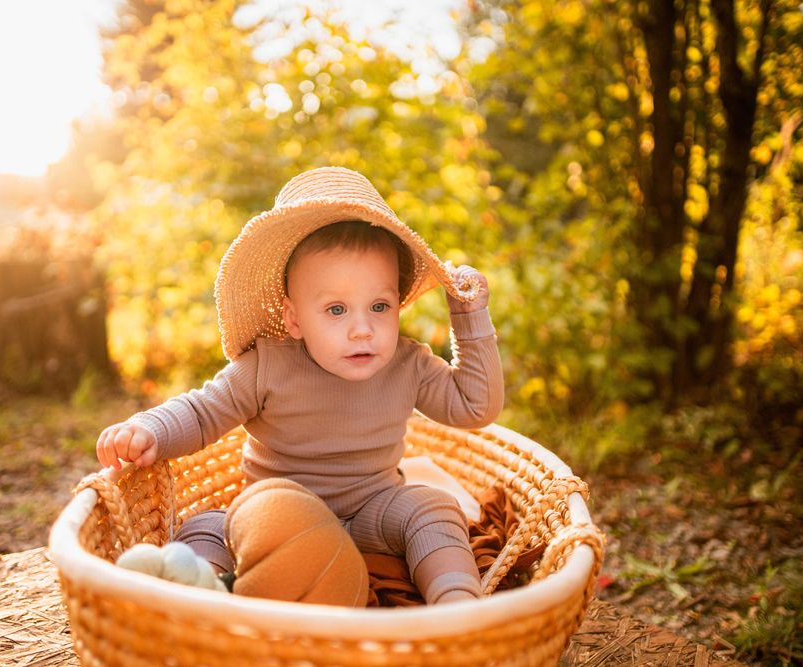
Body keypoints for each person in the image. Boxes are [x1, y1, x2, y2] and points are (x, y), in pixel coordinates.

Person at [95, 167, 504, 604]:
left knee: (432, 507)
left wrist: (469, 317)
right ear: (293, 319)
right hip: (275, 519)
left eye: (379, 306)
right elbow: (200, 412)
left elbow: (474, 405)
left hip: (371, 515)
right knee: (207, 524)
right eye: (336, 310)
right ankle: (204, 596)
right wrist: (149, 429)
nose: (362, 329)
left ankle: (457, 606)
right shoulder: (267, 367)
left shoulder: (408, 364)